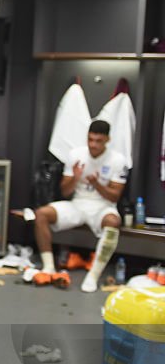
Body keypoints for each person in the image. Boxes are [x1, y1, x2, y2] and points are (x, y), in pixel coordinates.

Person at [32, 119, 125, 292]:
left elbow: (114, 196)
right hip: (78, 204)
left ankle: (93, 275)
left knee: (113, 222)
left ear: (107, 140)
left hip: (103, 206)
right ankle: (49, 267)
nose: (93, 145)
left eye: (98, 141)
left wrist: (97, 184)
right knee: (41, 214)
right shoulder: (76, 154)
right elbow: (65, 192)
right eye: (90, 140)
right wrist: (75, 178)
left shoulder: (117, 160)